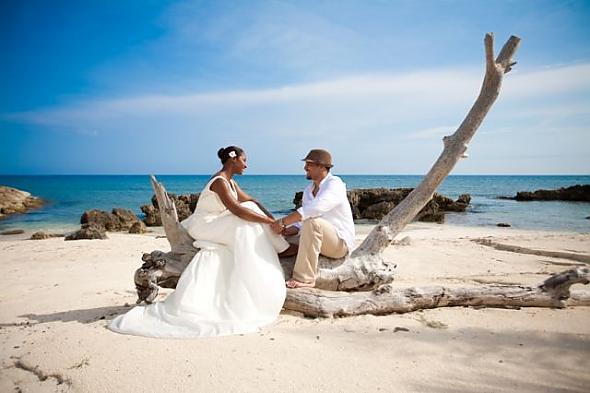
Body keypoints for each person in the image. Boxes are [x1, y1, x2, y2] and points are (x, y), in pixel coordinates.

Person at [109, 146, 290, 338]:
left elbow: (253, 202)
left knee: (250, 209)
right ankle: (281, 249)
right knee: (243, 224)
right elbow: (236, 210)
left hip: (218, 222)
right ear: (233, 160)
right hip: (204, 225)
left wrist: (277, 221)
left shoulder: (231, 183)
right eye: (244, 160)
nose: (246, 164)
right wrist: (271, 222)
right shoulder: (219, 182)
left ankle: (280, 244)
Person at [271, 149, 355, 288]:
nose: (305, 168)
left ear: (321, 166)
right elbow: (301, 222)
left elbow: (315, 209)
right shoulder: (308, 190)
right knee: (277, 240)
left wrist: (282, 222)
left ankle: (305, 279)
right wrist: (287, 229)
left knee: (312, 221)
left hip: (339, 243)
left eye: (309, 164)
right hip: (315, 236)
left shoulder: (335, 184)